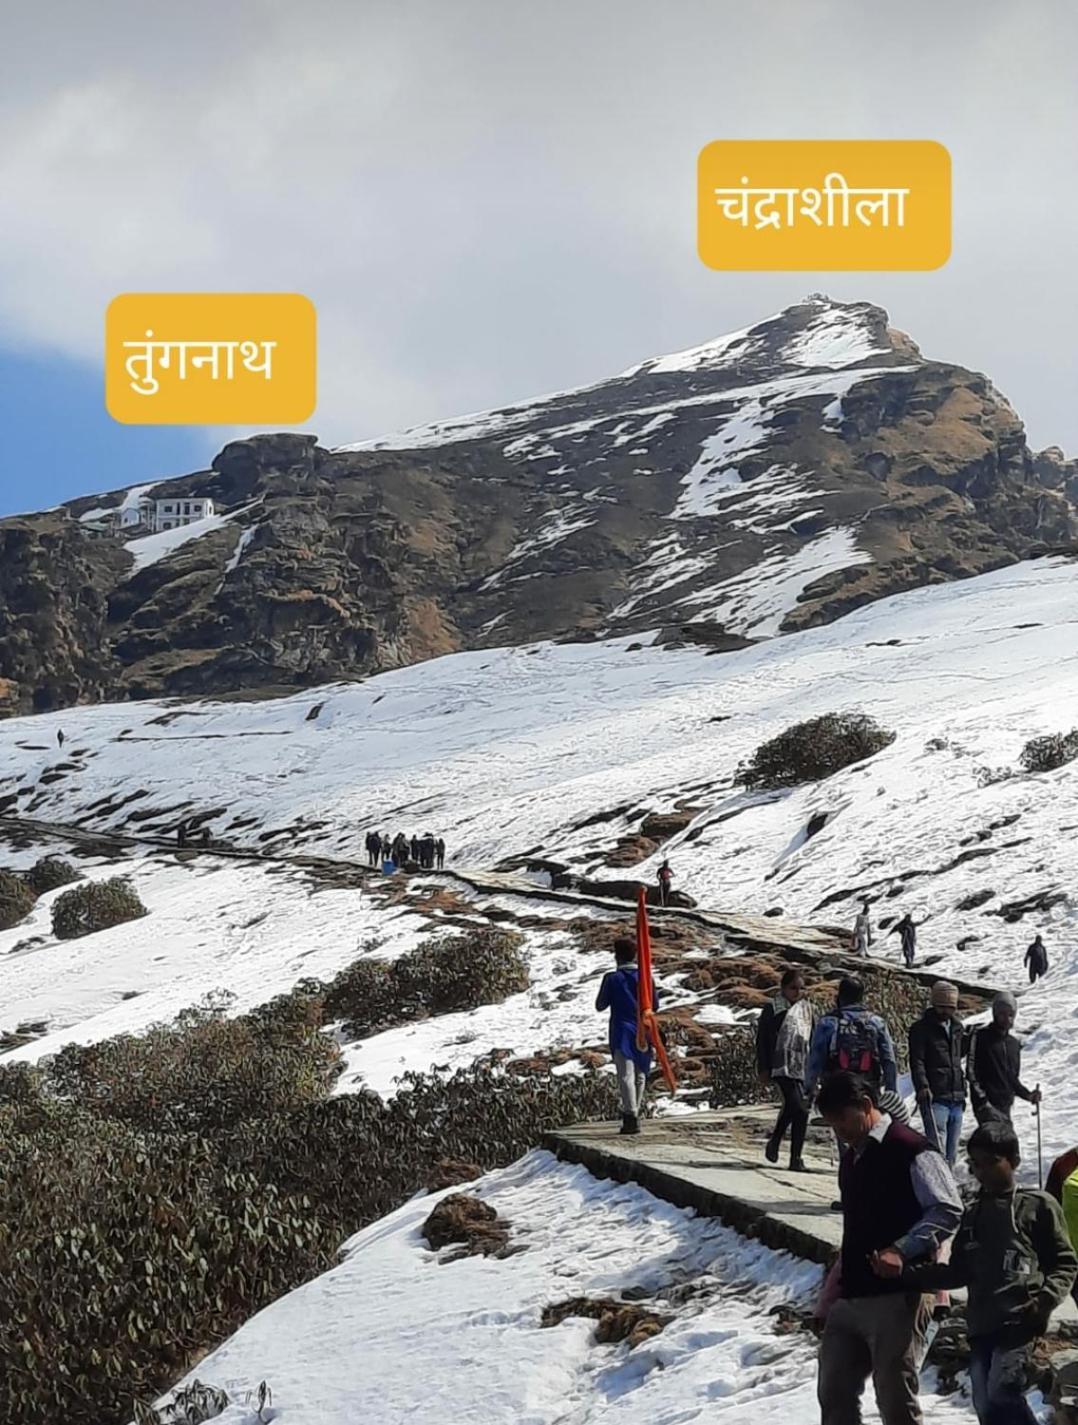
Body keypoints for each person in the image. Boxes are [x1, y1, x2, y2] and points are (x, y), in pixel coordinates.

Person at [897, 1119, 1077, 1425]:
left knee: (1002, 1390)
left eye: (992, 1162)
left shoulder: (1037, 1206)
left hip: (1021, 1321)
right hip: (982, 1323)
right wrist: (912, 1274)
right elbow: (958, 1273)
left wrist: (1044, 1300)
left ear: (1014, 1161)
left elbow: (1064, 1262)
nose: (983, 1171)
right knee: (983, 1402)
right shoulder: (973, 1215)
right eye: (975, 1165)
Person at [816, 1072, 962, 1425]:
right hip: (851, 1294)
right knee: (834, 1391)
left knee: (894, 1396)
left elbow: (948, 1209)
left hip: (900, 1294)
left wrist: (902, 1249)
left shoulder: (912, 1149)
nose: (839, 1130)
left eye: (842, 1120)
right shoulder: (852, 1160)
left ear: (866, 1106)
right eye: (831, 1123)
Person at [595, 936, 660, 1135]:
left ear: (617, 957)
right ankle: (634, 1112)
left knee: (626, 1075)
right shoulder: (646, 977)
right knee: (640, 1074)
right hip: (643, 1029)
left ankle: (630, 1115)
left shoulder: (612, 979)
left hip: (621, 1029)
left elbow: (600, 1005)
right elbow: (655, 1005)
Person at [756, 968, 814, 1172]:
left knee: (802, 1111)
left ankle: (794, 1157)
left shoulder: (806, 1010)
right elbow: (762, 1039)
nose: (797, 992)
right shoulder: (773, 1008)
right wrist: (763, 1067)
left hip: (801, 1065)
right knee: (797, 1105)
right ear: (783, 988)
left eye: (801, 988)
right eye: (793, 988)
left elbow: (812, 1038)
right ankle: (776, 1140)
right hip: (779, 1064)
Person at [805, 976, 899, 1101]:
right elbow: (888, 1059)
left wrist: (809, 1087)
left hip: (835, 1088)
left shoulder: (828, 1022)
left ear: (840, 996)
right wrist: (891, 1089)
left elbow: (816, 1058)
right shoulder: (876, 1022)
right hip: (868, 1088)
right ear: (861, 997)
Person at [908, 982, 967, 1166]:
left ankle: (948, 1185)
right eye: (942, 1007)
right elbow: (917, 1061)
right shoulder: (921, 1029)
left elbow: (957, 1058)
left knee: (952, 1152)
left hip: (956, 1096)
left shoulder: (957, 1028)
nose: (945, 1011)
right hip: (935, 1096)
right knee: (937, 1147)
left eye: (950, 1007)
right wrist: (922, 1086)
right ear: (934, 1004)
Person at [967, 991, 1041, 1128]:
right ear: (995, 1013)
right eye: (1002, 1013)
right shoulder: (981, 1037)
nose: (1007, 1018)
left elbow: (1013, 1079)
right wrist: (982, 1101)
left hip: (1005, 1106)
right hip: (985, 1106)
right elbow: (971, 1072)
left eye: (1011, 1014)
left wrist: (1029, 1095)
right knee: (1000, 1145)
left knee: (1006, 1146)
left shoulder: (1013, 1044)